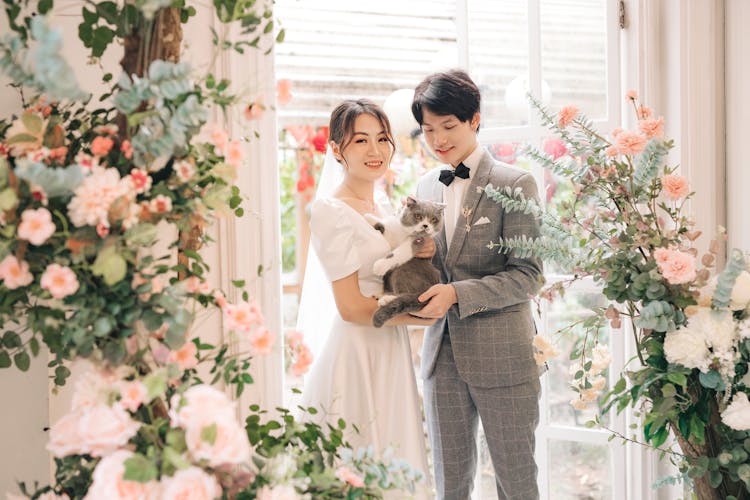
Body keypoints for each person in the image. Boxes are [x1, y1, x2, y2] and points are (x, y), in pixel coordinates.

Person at [411, 70, 544, 500]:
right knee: (449, 484)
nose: (439, 139)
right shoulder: (425, 186)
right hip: (440, 357)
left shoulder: (515, 182)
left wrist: (457, 294)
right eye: (429, 130)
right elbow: (432, 268)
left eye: (448, 126)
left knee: (516, 481)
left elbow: (528, 274)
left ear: (475, 120)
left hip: (504, 356)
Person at [297, 99, 433, 498]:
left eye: (382, 139)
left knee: (393, 463)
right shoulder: (330, 211)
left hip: (388, 348)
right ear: (337, 149)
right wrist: (423, 315)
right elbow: (352, 307)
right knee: (359, 463)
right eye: (360, 141)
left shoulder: (385, 206)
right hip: (357, 352)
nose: (375, 151)